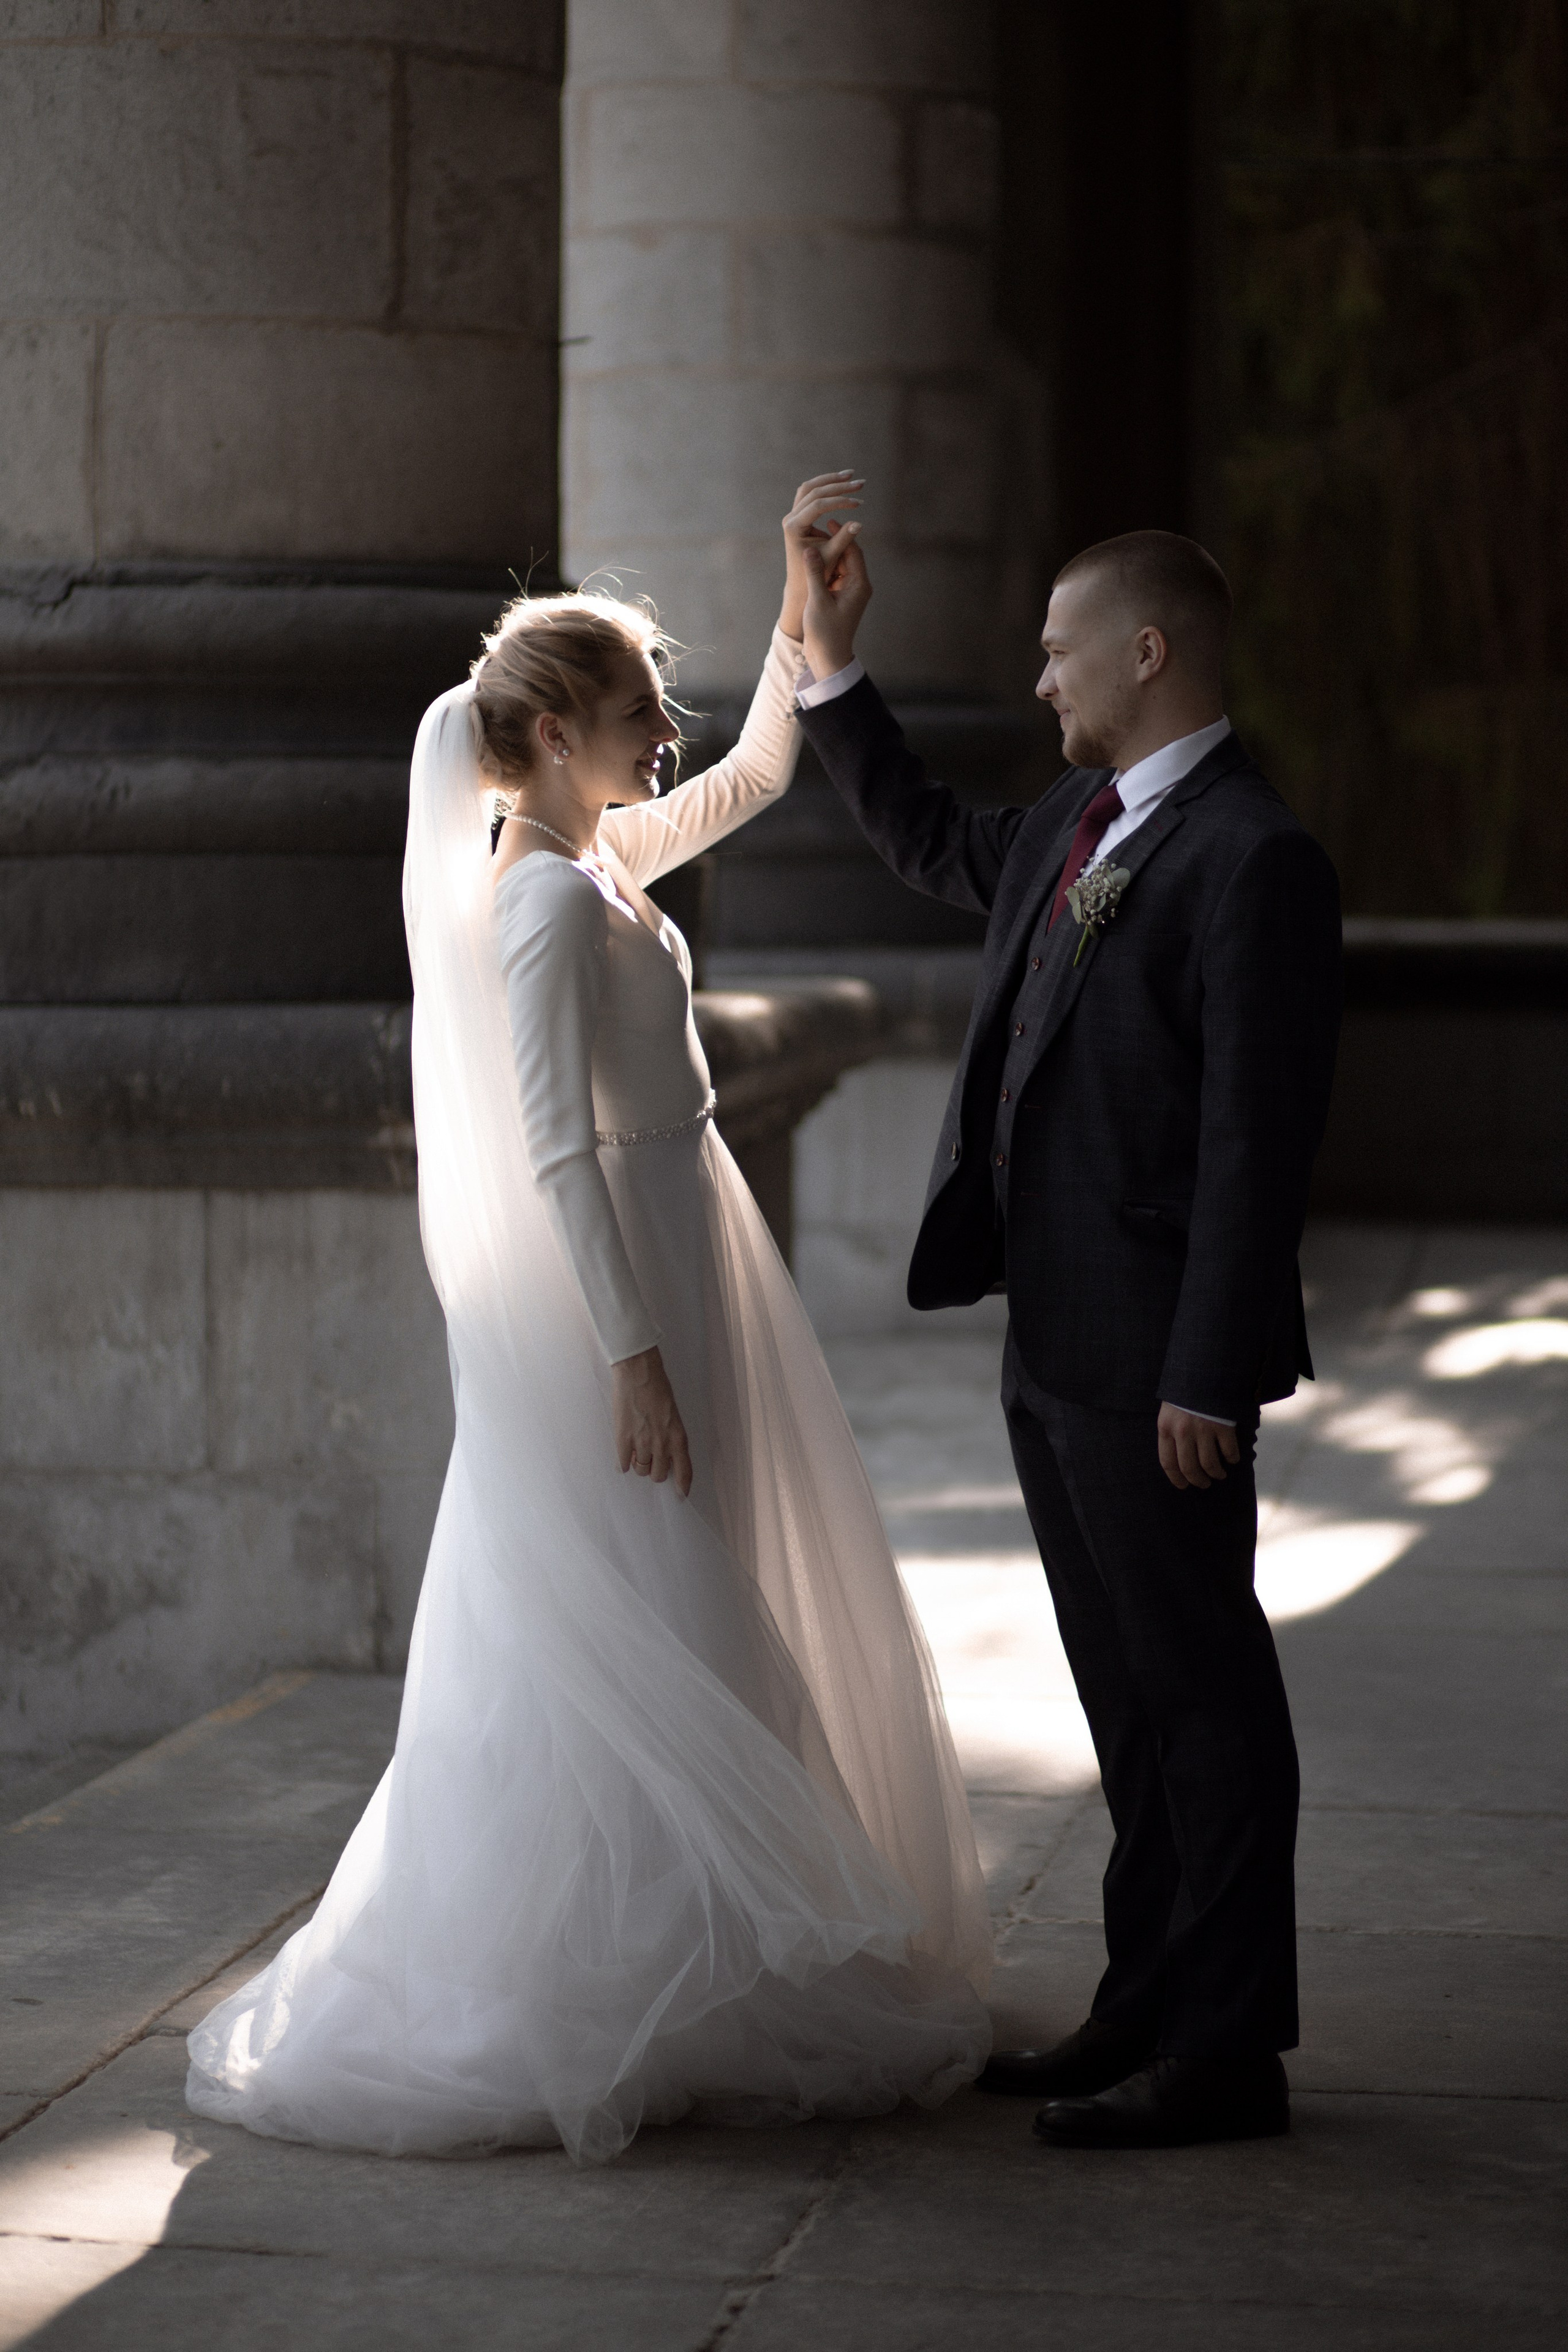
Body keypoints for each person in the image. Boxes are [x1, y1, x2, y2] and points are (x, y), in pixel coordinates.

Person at [184, 477, 992, 2166]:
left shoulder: (603, 856)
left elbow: (763, 776)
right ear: (550, 732)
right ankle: (595, 1972)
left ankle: (702, 1957)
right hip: (629, 1266)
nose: (663, 739)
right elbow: (552, 1151)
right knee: (642, 1601)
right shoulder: (539, 903)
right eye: (637, 716)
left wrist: (807, 625)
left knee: (704, 1587)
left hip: (693, 1239)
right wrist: (630, 1357)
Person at [791, 520, 1342, 2149]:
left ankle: (1230, 2053)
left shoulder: (1256, 857)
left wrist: (1207, 1368)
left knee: (1206, 1694)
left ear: (1147, 654)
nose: (1038, 676)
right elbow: (922, 837)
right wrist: (831, 667)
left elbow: (1259, 1139)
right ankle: (1147, 1999)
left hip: (1159, 1364)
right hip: (1053, 1345)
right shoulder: (1067, 832)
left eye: (1056, 647)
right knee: (1125, 1695)